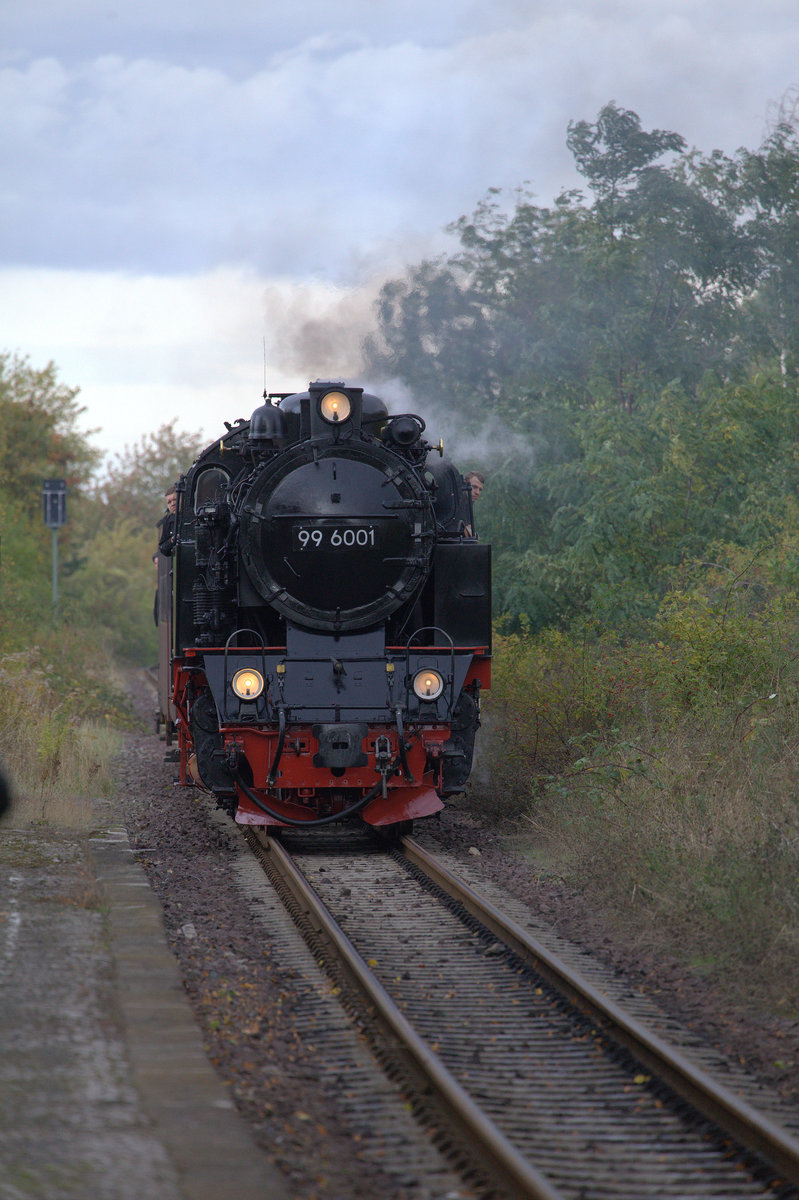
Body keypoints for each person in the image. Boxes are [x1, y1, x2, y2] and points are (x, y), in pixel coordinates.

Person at [157, 485, 178, 557]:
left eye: (175, 499)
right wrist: (171, 541)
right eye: (169, 502)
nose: (173, 504)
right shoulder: (166, 521)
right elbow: (162, 548)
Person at [463, 470, 485, 536]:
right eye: (474, 487)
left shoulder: (469, 505)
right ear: (464, 484)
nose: (477, 492)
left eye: (480, 489)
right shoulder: (454, 503)